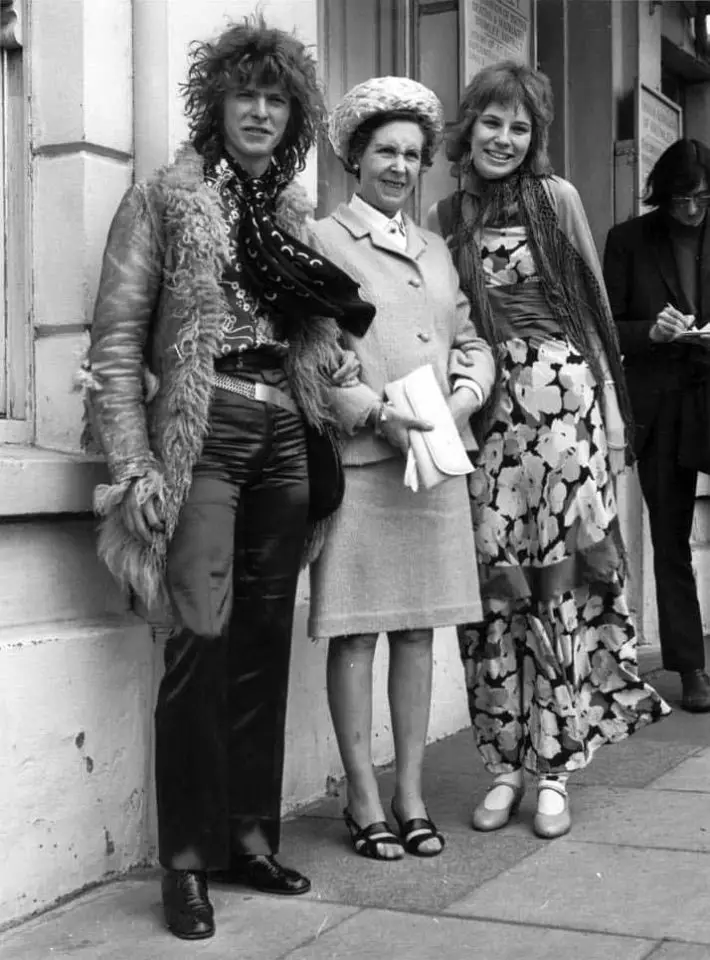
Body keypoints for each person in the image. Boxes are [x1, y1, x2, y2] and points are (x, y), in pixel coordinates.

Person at [80, 17, 374, 941]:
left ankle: (249, 837)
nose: (259, 109)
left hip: (283, 431)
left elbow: (314, 345)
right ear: (218, 104)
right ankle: (188, 861)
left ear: (293, 115)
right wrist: (131, 466)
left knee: (261, 639)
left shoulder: (290, 219)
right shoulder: (164, 200)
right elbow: (118, 346)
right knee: (199, 642)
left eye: (276, 97)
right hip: (204, 433)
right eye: (244, 94)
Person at [429, 61, 670, 840]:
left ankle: (557, 766)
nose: (504, 138)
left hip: (566, 416)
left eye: (521, 126)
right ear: (470, 125)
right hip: (486, 421)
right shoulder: (444, 213)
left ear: (535, 138)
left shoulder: (555, 198)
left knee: (562, 586)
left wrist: (615, 420)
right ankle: (503, 763)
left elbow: (595, 313)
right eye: (493, 122)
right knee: (495, 593)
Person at [307, 76, 495, 861]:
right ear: (355, 155)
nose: (400, 165)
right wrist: (370, 411)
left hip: (435, 464)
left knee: (418, 634)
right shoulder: (321, 240)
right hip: (365, 462)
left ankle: (411, 792)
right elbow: (313, 353)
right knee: (354, 636)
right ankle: (362, 797)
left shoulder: (438, 250)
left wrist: (464, 395)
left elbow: (472, 341)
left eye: (414, 154)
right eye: (385, 149)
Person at [603, 139, 710, 714]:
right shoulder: (628, 241)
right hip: (661, 404)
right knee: (670, 540)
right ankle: (691, 667)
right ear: (661, 195)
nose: (693, 210)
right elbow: (605, 328)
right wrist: (653, 331)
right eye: (680, 200)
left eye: (702, 198)